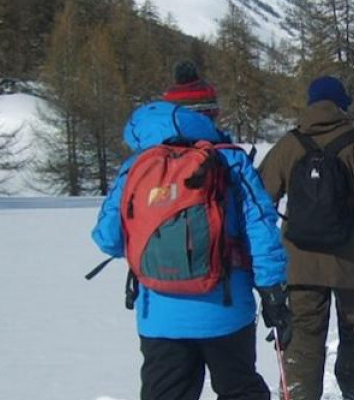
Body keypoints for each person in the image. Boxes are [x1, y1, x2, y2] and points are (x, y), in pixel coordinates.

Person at [91, 68, 290, 399]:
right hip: (225, 308)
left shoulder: (138, 166)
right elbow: (262, 233)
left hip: (159, 314)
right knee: (240, 389)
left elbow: (107, 238)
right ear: (208, 116)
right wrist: (273, 293)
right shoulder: (230, 161)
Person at [257, 76, 354, 400]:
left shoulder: (289, 144)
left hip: (300, 260)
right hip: (352, 260)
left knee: (304, 335)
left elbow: (259, 198)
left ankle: (299, 394)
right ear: (342, 106)